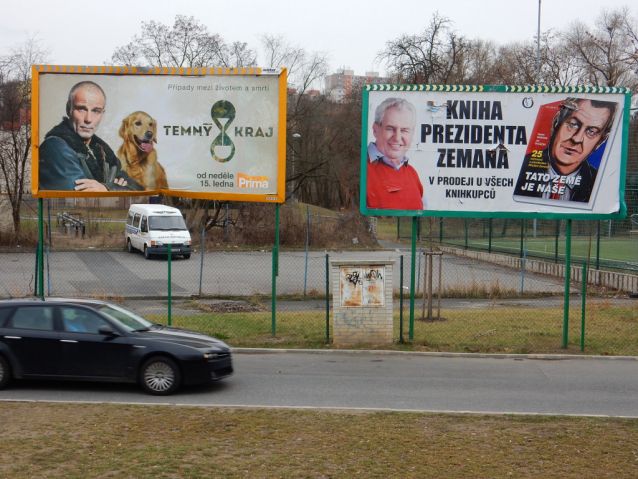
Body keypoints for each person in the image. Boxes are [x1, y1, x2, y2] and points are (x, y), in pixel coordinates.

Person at [39, 81, 143, 192]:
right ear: (68, 109)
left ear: (102, 114)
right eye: (81, 109)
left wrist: (106, 188)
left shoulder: (105, 154)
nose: (88, 119)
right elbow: (83, 198)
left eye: (95, 111)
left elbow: (139, 190)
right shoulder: (55, 147)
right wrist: (116, 188)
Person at [514, 98, 617, 203]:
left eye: (591, 132)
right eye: (573, 124)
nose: (576, 139)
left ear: (601, 141)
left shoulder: (601, 184)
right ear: (556, 122)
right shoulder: (516, 169)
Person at [366, 97, 424, 210]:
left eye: (404, 130)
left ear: (412, 135)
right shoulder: (360, 168)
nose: (397, 138)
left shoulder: (412, 173)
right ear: (375, 130)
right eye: (390, 128)